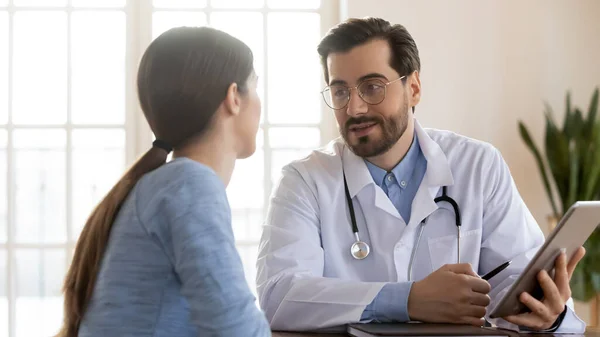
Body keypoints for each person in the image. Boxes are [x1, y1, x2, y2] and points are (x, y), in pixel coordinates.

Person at [256, 17, 587, 333]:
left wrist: (545, 311)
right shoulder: (304, 180)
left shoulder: (478, 166)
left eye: (372, 87)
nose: (354, 109)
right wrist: (407, 300)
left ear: (413, 88)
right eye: (340, 91)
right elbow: (279, 295)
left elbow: (516, 280)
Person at [56, 27, 271, 337]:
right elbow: (235, 329)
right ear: (234, 97)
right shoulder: (190, 185)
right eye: (255, 86)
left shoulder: (166, 183)